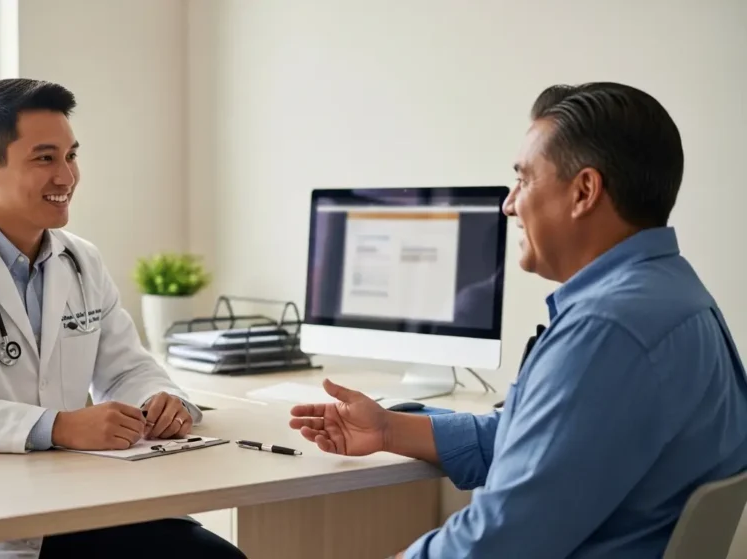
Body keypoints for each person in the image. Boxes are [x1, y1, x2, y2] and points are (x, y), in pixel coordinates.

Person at [289, 82, 747, 558]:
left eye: (524, 180)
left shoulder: (607, 330)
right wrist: (389, 429)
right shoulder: (675, 295)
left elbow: (501, 539)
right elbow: (538, 448)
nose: (509, 204)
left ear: (584, 191)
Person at [0, 78, 246, 558]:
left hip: (71, 502)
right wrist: (57, 426)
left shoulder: (81, 261)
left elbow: (126, 367)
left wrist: (158, 398)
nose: (66, 177)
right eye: (45, 158)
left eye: (71, 156)